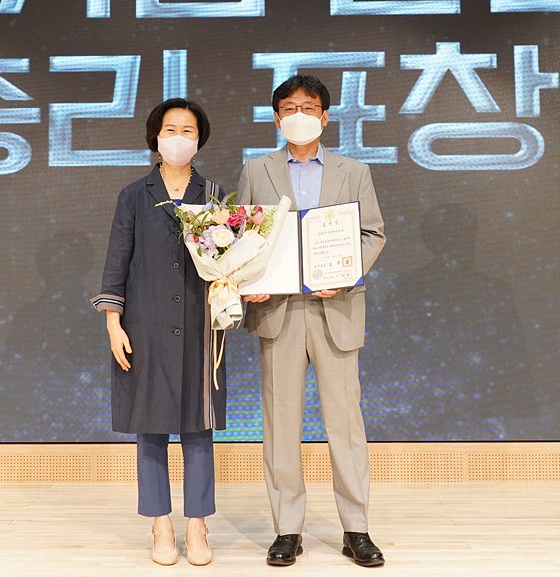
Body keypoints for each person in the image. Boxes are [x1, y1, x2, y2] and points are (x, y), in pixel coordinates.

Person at [238, 75, 387, 568]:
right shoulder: (256, 169)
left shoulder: (354, 170)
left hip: (335, 309)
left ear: (325, 116)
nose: (298, 115)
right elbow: (245, 235)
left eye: (308, 107)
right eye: (289, 108)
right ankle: (288, 529)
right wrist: (248, 279)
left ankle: (356, 528)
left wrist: (344, 274)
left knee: (345, 424)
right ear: (276, 117)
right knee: (280, 424)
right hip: (278, 311)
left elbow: (372, 233)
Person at [92, 98, 223, 566]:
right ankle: (160, 524)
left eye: (188, 131)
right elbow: (117, 261)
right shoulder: (134, 195)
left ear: (199, 139)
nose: (179, 138)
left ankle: (198, 524)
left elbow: (228, 260)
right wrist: (114, 323)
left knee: (199, 427)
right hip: (144, 326)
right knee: (150, 428)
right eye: (171, 130)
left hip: (199, 326)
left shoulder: (215, 195)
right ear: (155, 136)